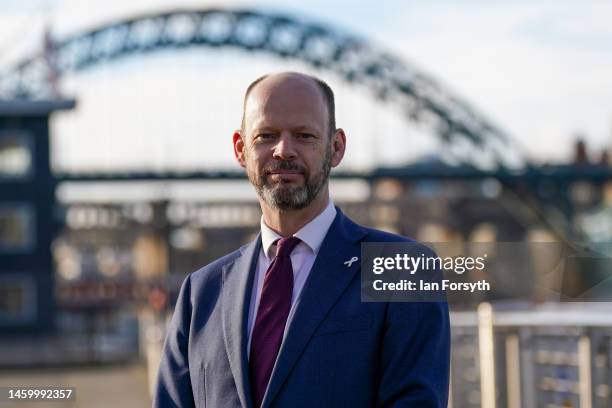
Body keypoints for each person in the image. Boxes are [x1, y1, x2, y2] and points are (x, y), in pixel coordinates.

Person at [154, 72, 450, 407]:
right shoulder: (200, 293)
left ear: (336, 148)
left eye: (304, 135)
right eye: (266, 135)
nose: (284, 150)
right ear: (240, 150)